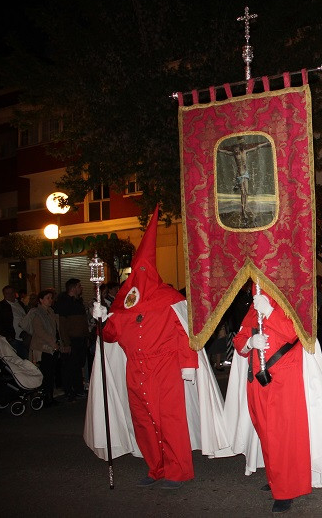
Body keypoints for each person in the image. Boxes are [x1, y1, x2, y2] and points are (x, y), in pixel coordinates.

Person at [229, 287, 322, 513]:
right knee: (266, 432)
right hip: (258, 380)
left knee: (285, 434)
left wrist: (270, 312)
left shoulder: (289, 302)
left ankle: (286, 489)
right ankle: (277, 478)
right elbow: (239, 340)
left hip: (286, 378)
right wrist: (250, 342)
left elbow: (296, 332)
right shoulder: (253, 306)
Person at [97, 207, 200, 489]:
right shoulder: (125, 306)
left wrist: (188, 365)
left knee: (170, 420)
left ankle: (178, 471)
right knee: (143, 420)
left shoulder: (168, 299)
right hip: (136, 368)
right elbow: (109, 336)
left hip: (165, 367)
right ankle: (155, 468)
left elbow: (184, 333)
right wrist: (101, 317)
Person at [19, 289, 60, 407]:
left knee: (50, 372)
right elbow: (40, 331)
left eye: (51, 298)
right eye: (47, 298)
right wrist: (53, 342)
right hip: (42, 347)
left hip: (51, 347)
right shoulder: (37, 313)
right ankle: (44, 397)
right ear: (41, 300)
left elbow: (55, 329)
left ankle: (49, 396)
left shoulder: (51, 311)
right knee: (45, 372)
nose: (50, 300)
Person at [55, 278, 89, 401]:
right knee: (69, 366)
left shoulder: (78, 302)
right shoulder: (64, 303)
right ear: (73, 288)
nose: (81, 288)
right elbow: (62, 325)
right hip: (71, 339)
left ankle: (78, 388)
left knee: (78, 365)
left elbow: (83, 322)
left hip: (80, 339)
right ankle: (69, 390)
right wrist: (66, 342)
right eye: (79, 286)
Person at [0, 285, 28, 358]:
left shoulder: (20, 303)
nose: (10, 295)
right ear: (4, 295)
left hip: (25, 337)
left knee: (26, 360)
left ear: (15, 293)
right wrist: (7, 338)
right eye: (7, 293)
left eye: (11, 292)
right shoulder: (0, 307)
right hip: (13, 339)